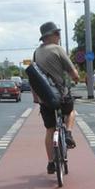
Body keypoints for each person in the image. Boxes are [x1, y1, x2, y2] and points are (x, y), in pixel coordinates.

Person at [32, 21, 79, 174]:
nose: (59, 36)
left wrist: (36, 98)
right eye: (57, 34)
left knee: (50, 130)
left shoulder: (36, 53)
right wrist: (77, 79)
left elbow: (34, 78)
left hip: (45, 98)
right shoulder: (58, 49)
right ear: (51, 36)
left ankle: (51, 162)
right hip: (61, 95)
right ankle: (69, 133)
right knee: (71, 111)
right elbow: (74, 74)